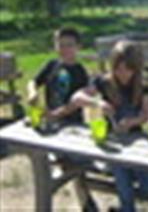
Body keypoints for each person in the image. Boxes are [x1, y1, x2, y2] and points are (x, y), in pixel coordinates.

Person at [72, 40, 148, 212]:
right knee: (124, 185)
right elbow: (76, 98)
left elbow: (146, 115)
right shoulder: (103, 82)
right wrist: (97, 102)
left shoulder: (141, 84)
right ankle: (126, 208)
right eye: (118, 69)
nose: (123, 74)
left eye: (128, 69)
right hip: (114, 145)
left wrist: (132, 122)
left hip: (137, 142)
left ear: (136, 68)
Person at [27, 27, 97, 212]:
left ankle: (84, 200)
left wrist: (56, 114)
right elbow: (33, 81)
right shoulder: (52, 65)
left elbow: (76, 103)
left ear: (78, 47)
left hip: (73, 125)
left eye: (69, 45)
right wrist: (33, 92)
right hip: (52, 124)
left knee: (75, 164)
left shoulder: (80, 72)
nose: (65, 49)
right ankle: (85, 201)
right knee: (52, 158)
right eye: (61, 44)